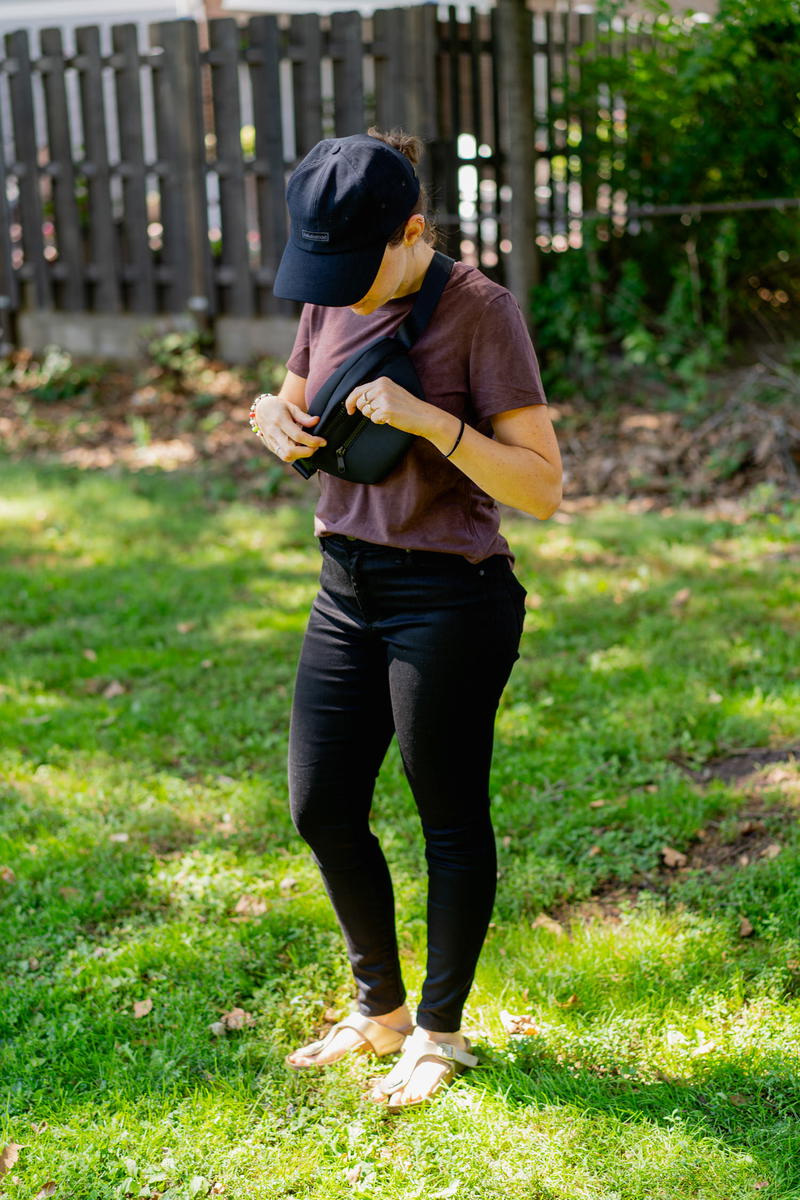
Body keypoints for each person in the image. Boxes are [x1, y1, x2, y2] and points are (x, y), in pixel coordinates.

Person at [250, 128, 562, 1109]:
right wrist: (269, 418)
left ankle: (437, 1032)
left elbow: (542, 489)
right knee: (320, 805)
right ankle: (376, 1009)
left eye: (353, 269)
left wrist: (430, 420)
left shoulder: (480, 313)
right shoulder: (333, 288)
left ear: (413, 231)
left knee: (447, 816)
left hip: (450, 594)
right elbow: (293, 406)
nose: (334, 289)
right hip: (344, 584)